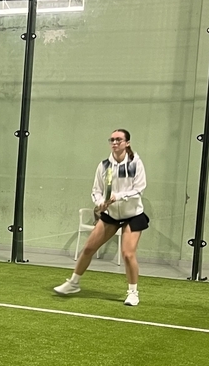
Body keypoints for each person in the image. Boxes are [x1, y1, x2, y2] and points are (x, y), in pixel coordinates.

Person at [54, 129, 148, 306]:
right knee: (88, 248)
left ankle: (133, 293)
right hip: (110, 215)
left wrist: (118, 197)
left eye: (119, 139)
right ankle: (73, 283)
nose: (115, 142)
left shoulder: (135, 163)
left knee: (128, 254)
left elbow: (139, 189)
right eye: (112, 140)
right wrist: (100, 203)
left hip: (132, 215)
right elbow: (96, 190)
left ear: (127, 143)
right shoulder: (104, 165)